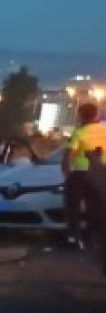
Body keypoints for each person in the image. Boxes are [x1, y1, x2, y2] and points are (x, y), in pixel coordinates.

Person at [61, 103, 106, 249]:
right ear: (97, 115)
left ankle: (74, 239)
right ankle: (94, 239)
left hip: (80, 174)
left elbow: (68, 156)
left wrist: (66, 174)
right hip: (100, 174)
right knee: (97, 208)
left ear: (81, 115)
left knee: (73, 208)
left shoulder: (79, 133)